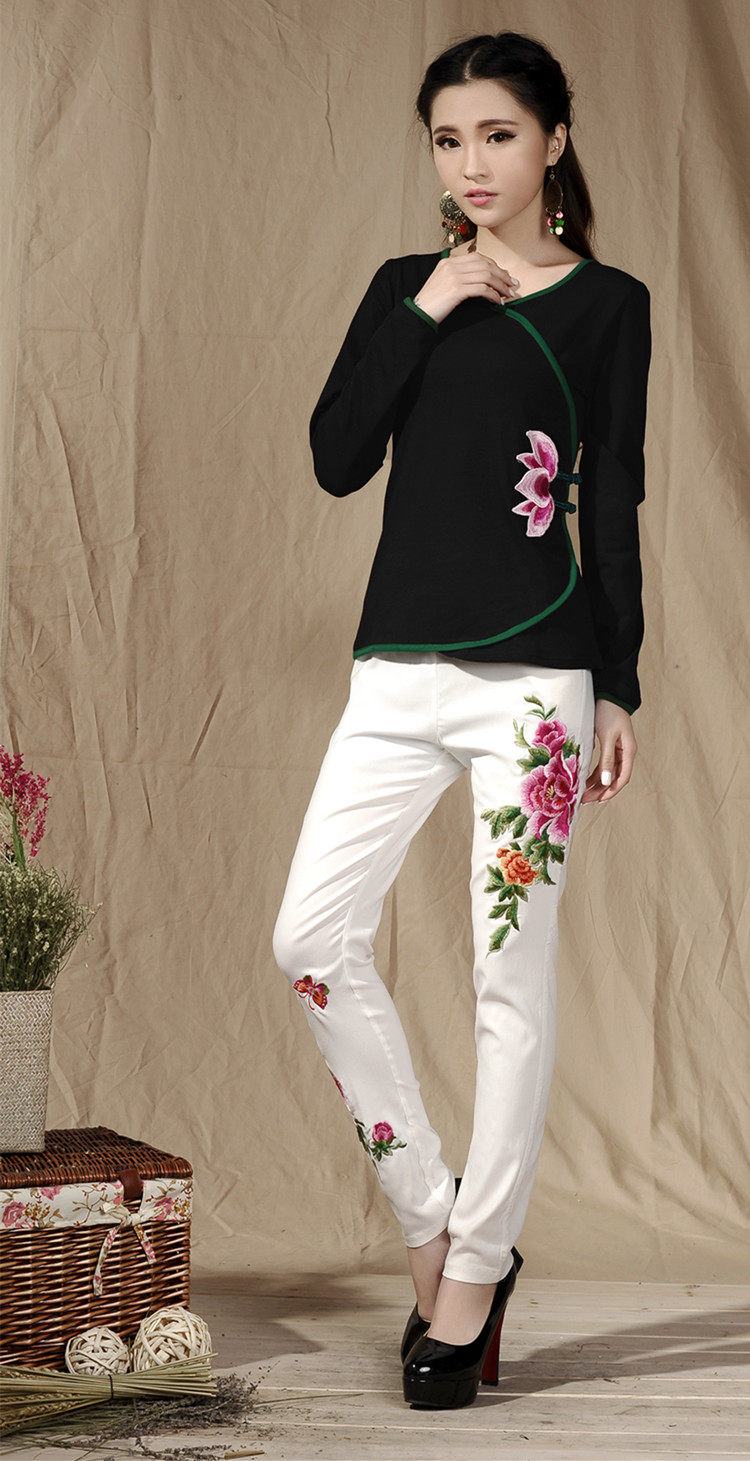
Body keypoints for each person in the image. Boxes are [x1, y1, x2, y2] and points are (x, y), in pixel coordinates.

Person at [272, 28, 652, 1411]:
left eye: (498, 134)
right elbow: (335, 458)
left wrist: (618, 682)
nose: (473, 163)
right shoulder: (403, 287)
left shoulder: (608, 307)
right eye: (448, 139)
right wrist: (431, 303)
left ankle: (476, 1273)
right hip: (396, 677)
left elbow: (612, 501)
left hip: (537, 687)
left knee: (509, 981)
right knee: (310, 938)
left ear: (553, 140)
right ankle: (431, 1221)